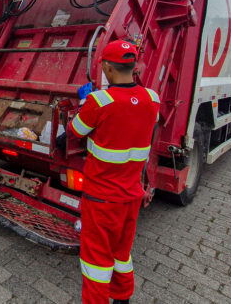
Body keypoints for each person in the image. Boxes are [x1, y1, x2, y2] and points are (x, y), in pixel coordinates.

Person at [66, 40, 160, 304]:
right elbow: (130, 119)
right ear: (132, 66)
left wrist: (85, 101)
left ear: (107, 67)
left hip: (101, 197)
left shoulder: (99, 101)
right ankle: (122, 297)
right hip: (131, 195)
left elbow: (75, 132)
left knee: (96, 260)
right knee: (121, 253)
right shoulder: (153, 99)